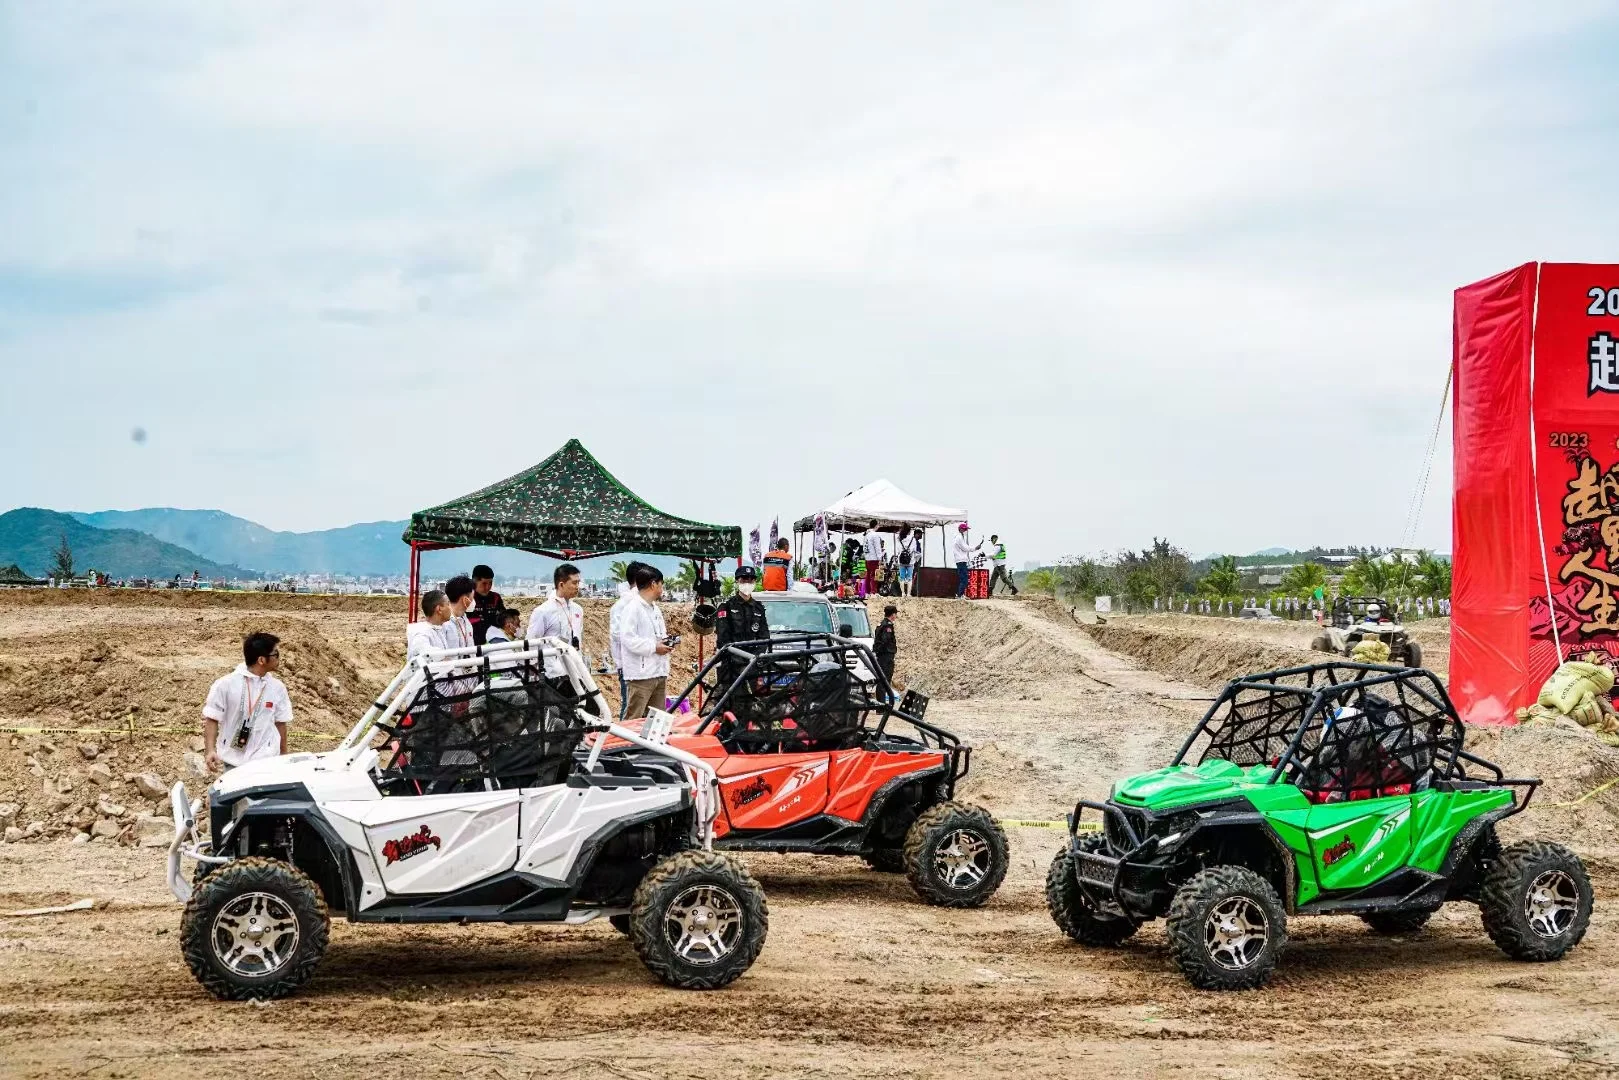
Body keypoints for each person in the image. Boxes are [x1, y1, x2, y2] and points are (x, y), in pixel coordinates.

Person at [202, 631, 292, 772]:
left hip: (267, 762)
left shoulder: (277, 688)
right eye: (275, 654)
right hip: (234, 763)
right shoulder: (225, 685)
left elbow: (280, 722)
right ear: (261, 660)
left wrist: (283, 755)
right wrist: (210, 750)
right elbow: (212, 719)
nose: (279, 658)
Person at [620, 564, 673, 721]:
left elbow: (657, 634)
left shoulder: (654, 609)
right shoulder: (632, 608)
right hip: (641, 675)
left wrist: (665, 642)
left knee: (657, 719)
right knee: (634, 718)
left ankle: (651, 746)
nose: (662, 588)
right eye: (661, 584)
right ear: (653, 584)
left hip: (658, 671)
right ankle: (627, 745)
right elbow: (628, 638)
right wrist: (653, 647)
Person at [529, 563, 585, 687]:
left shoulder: (578, 610)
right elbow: (532, 643)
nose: (577, 587)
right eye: (574, 583)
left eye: (578, 583)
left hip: (575, 672)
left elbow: (579, 638)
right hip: (552, 675)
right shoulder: (543, 611)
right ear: (561, 584)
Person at [714, 564, 770, 682]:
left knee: (752, 698)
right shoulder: (726, 607)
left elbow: (764, 638)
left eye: (751, 580)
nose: (748, 583)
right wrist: (740, 661)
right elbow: (723, 640)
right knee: (732, 698)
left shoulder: (759, 608)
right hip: (731, 665)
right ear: (737, 581)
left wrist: (753, 659)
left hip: (752, 665)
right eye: (744, 579)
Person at [609, 561, 649, 718]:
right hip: (630, 666)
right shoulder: (623, 605)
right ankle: (623, 741)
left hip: (645, 665)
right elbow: (619, 636)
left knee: (642, 709)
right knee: (630, 708)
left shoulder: (645, 603)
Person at [407, 589, 453, 661]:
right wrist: (443, 657)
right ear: (439, 609)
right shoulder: (422, 633)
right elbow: (422, 652)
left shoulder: (438, 629)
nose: (450, 608)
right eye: (448, 604)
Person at [468, 564, 504, 646]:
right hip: (473, 645)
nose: (487, 587)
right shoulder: (467, 599)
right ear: (474, 582)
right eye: (484, 584)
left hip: (494, 644)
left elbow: (504, 619)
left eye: (490, 583)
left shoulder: (496, 597)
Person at [442, 574, 477, 650]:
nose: (473, 601)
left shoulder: (465, 620)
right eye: (472, 598)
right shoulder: (444, 624)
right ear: (465, 600)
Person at [874, 603, 898, 685]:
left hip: (882, 655)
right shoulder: (888, 625)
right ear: (892, 614)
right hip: (886, 655)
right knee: (885, 679)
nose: (896, 616)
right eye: (895, 614)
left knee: (882, 678)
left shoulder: (881, 624)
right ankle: (881, 698)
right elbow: (885, 640)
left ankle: (881, 697)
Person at [951, 523, 976, 599]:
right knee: (964, 579)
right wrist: (975, 548)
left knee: (963, 579)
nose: (966, 531)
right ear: (960, 529)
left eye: (966, 529)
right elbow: (965, 548)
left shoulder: (960, 537)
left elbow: (965, 547)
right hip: (961, 560)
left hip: (961, 560)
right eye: (965, 529)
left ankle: (961, 594)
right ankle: (959, 595)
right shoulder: (959, 538)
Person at [896, 525, 919, 598]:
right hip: (910, 560)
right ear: (909, 531)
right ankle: (908, 594)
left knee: (901, 577)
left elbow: (898, 550)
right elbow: (914, 550)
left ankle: (903, 593)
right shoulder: (913, 539)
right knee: (909, 577)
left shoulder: (899, 538)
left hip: (901, 560)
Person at [862, 531, 885, 597]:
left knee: (869, 575)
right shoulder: (873, 537)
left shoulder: (866, 539)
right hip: (873, 559)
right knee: (874, 576)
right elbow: (877, 549)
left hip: (868, 558)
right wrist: (879, 558)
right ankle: (873, 592)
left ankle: (867, 592)